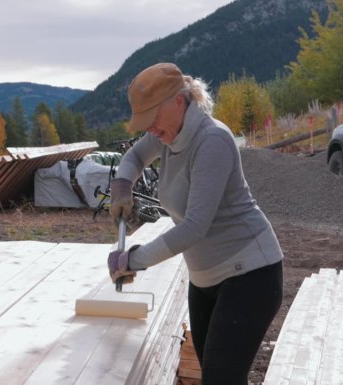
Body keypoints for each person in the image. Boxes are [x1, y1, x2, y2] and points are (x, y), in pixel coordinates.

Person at [107, 62, 283, 385]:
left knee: (221, 379)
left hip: (251, 276)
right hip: (205, 280)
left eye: (153, 119)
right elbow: (133, 158)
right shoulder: (166, 135)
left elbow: (194, 227)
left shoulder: (211, 141)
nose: (150, 130)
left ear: (178, 102)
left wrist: (134, 259)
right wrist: (122, 187)